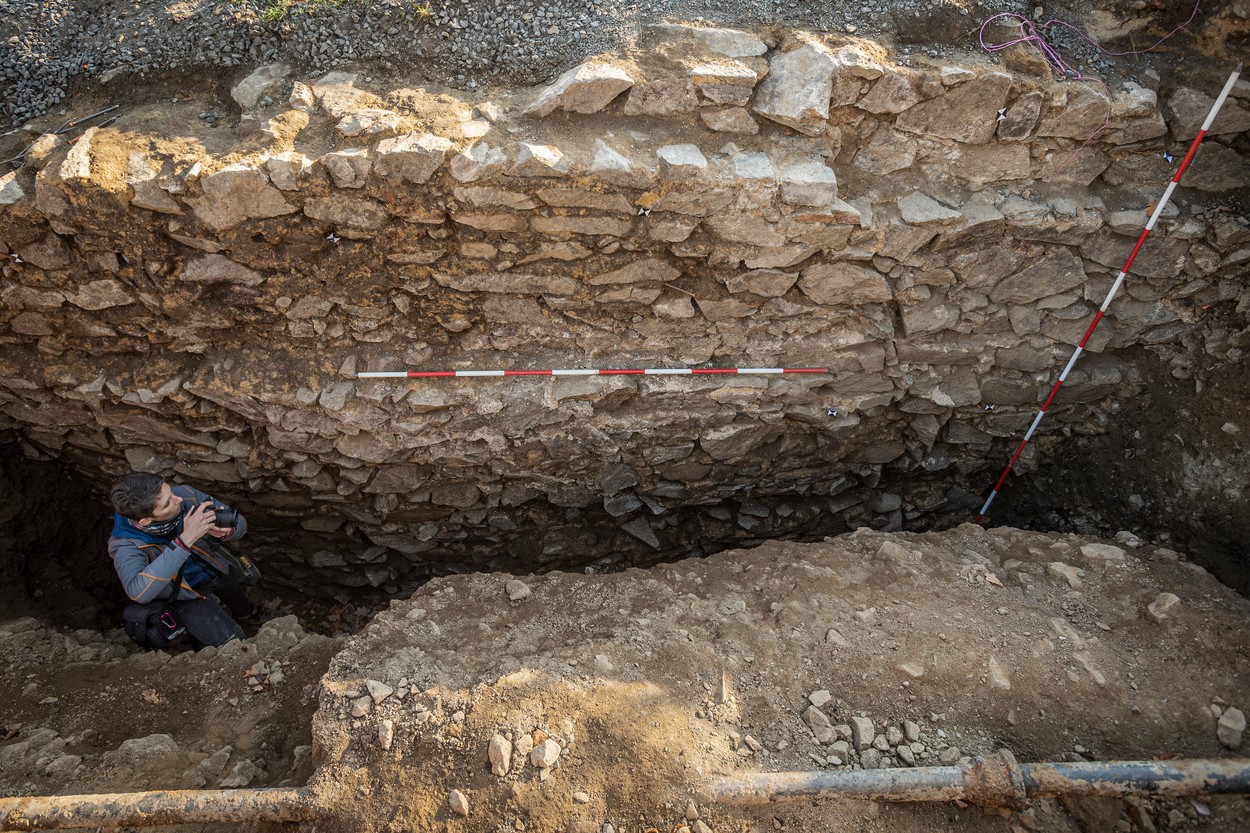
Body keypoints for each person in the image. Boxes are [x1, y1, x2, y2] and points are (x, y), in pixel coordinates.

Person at [108, 473, 256, 648]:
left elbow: (239, 522)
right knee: (233, 642)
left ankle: (248, 615)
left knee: (237, 597)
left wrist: (228, 532)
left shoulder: (186, 495)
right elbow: (138, 592)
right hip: (186, 595)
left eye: (170, 491)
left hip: (217, 568)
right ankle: (200, 644)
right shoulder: (126, 544)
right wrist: (184, 542)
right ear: (146, 520)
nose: (178, 499)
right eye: (167, 503)